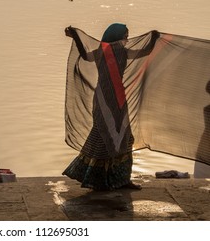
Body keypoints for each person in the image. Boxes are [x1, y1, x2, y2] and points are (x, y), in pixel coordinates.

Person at [62, 23, 159, 191]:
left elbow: (144, 52)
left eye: (127, 37)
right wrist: (77, 37)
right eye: (125, 37)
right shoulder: (102, 52)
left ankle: (122, 180)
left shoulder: (123, 51)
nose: (127, 40)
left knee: (125, 136)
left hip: (119, 99)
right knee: (103, 134)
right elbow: (85, 55)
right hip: (103, 99)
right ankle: (97, 180)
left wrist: (153, 39)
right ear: (116, 37)